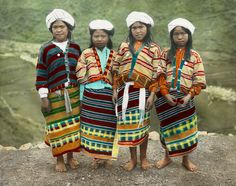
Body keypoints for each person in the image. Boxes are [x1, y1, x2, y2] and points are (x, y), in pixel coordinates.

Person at [155, 18, 206, 172]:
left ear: (189, 35)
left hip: (186, 98)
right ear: (171, 36)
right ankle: (167, 157)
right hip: (166, 98)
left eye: (183, 33)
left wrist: (189, 96)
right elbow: (160, 75)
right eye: (176, 34)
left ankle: (185, 159)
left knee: (187, 129)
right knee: (167, 128)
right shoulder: (165, 54)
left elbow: (199, 80)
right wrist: (164, 93)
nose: (179, 37)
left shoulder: (195, 56)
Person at [112, 11, 161, 171]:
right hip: (125, 90)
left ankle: (144, 158)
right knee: (128, 125)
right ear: (130, 29)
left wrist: (153, 94)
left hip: (144, 92)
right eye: (134, 28)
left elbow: (158, 73)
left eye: (141, 27)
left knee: (142, 125)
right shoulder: (124, 46)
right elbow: (115, 68)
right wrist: (114, 90)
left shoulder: (154, 48)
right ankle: (133, 159)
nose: (138, 31)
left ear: (147, 28)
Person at [35, 9, 81, 172]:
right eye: (55, 27)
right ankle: (59, 159)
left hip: (74, 93)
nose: (59, 29)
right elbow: (41, 72)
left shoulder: (75, 47)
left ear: (68, 28)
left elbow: (81, 71)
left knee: (72, 127)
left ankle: (70, 157)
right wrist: (44, 97)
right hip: (55, 95)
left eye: (62, 26)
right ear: (51, 29)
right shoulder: (46, 49)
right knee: (56, 127)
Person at [76, 20, 117, 169]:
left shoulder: (114, 54)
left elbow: (117, 77)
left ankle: (106, 157)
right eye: (96, 36)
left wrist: (114, 92)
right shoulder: (85, 54)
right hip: (91, 96)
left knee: (108, 127)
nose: (99, 39)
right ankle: (95, 157)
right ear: (91, 37)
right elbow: (81, 79)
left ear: (108, 37)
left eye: (103, 36)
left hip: (108, 97)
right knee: (92, 127)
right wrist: (82, 98)